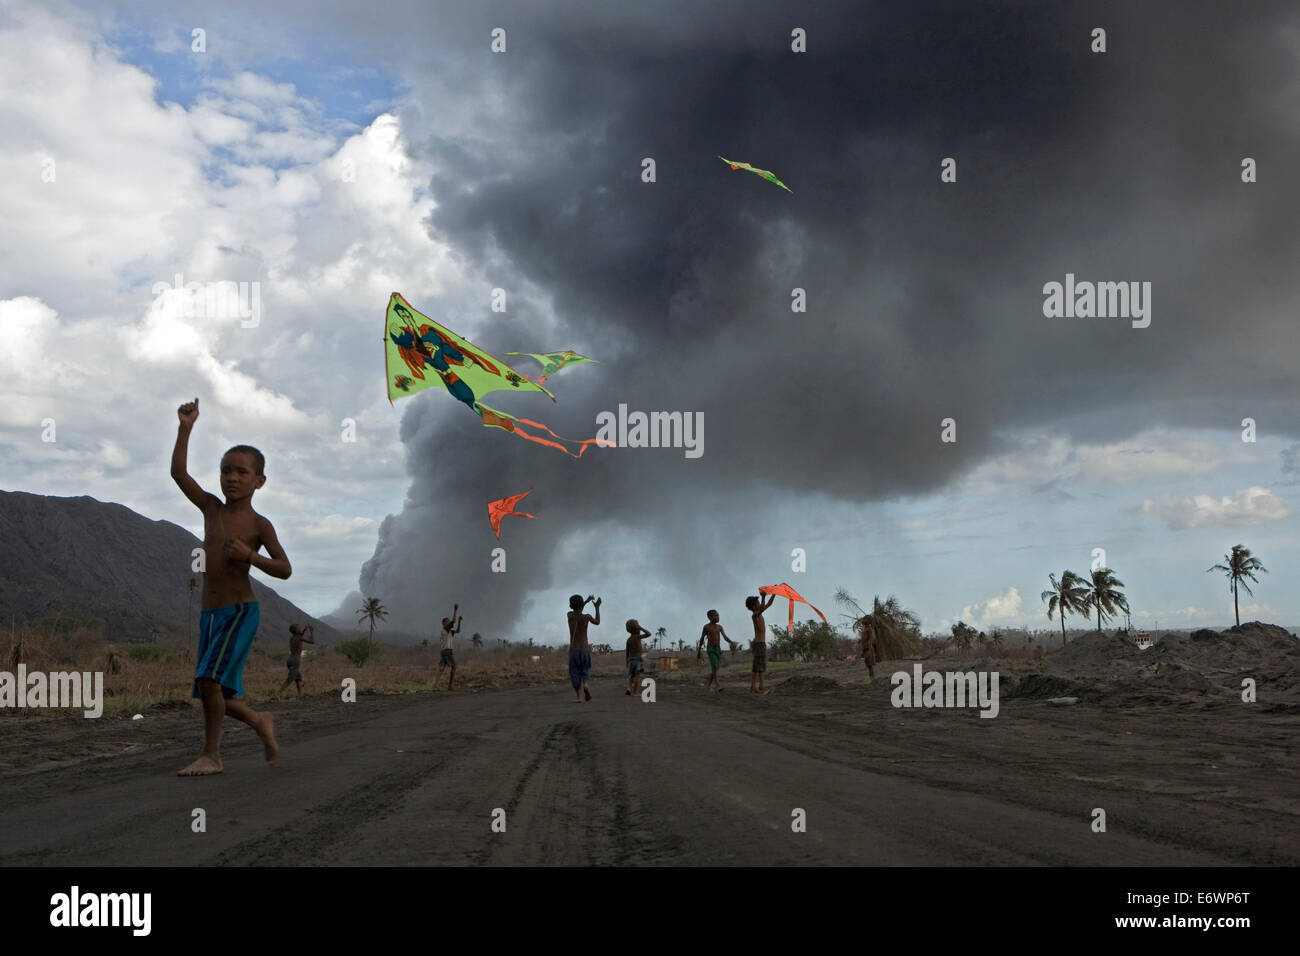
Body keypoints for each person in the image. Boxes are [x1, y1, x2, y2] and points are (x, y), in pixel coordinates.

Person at [171, 397, 285, 776]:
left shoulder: (259, 525)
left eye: (241, 472)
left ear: (259, 481)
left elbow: (285, 569)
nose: (231, 478)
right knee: (213, 691)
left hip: (239, 612)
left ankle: (212, 756)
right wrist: (185, 428)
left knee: (209, 681)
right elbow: (179, 475)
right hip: (210, 614)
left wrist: (249, 557)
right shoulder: (211, 509)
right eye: (225, 471)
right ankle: (259, 721)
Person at [567, 594, 601, 701]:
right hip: (584, 648)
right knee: (585, 669)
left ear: (570, 606)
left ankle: (579, 697)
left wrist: (585, 602)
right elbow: (597, 622)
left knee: (574, 671)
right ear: (582, 605)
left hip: (574, 649)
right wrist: (597, 607)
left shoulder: (570, 616)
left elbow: (577, 610)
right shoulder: (586, 617)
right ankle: (586, 684)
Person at [696, 610, 737, 692]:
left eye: (718, 615)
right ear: (709, 617)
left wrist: (731, 642)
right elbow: (702, 638)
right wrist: (699, 651)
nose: (718, 617)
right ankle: (718, 685)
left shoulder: (719, 627)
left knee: (715, 668)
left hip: (717, 649)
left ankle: (707, 686)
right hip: (710, 649)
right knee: (714, 666)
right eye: (715, 616)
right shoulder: (706, 627)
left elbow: (725, 637)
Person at [746, 594, 776, 693]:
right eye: (758, 603)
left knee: (758, 666)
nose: (760, 604)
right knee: (759, 667)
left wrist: (774, 593)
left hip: (760, 644)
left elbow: (769, 604)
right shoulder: (755, 615)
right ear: (754, 606)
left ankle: (755, 686)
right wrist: (763, 597)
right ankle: (759, 687)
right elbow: (763, 608)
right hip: (759, 644)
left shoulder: (759, 614)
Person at [280, 623, 314, 697]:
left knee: (298, 679)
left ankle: (300, 695)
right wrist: (311, 631)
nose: (300, 629)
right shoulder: (299, 637)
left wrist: (305, 629)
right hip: (295, 661)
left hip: (290, 660)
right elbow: (312, 642)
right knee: (290, 679)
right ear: (296, 630)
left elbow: (300, 634)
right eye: (299, 628)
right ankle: (278, 693)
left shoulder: (292, 638)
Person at [435, 603, 462, 690]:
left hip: (443, 651)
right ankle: (450, 686)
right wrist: (455, 610)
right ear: (444, 623)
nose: (449, 622)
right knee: (454, 667)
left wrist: (460, 622)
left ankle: (435, 685)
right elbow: (453, 621)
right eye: (447, 621)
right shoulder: (445, 629)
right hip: (447, 651)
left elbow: (458, 631)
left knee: (441, 669)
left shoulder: (449, 631)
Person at [625, 619, 651, 696]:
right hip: (638, 659)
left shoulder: (628, 640)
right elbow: (648, 634)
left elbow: (627, 652)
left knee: (630, 676)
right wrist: (641, 627)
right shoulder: (637, 637)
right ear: (637, 628)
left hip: (630, 660)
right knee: (637, 676)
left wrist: (626, 662)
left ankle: (628, 688)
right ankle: (635, 692)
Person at [859, 614, 879, 679]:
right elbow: (863, 639)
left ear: (869, 621)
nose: (863, 620)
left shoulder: (869, 629)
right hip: (865, 648)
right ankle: (871, 677)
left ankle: (872, 677)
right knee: (868, 664)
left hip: (869, 649)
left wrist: (870, 647)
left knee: (870, 664)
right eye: (863, 619)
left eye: (865, 619)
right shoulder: (864, 629)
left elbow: (871, 638)